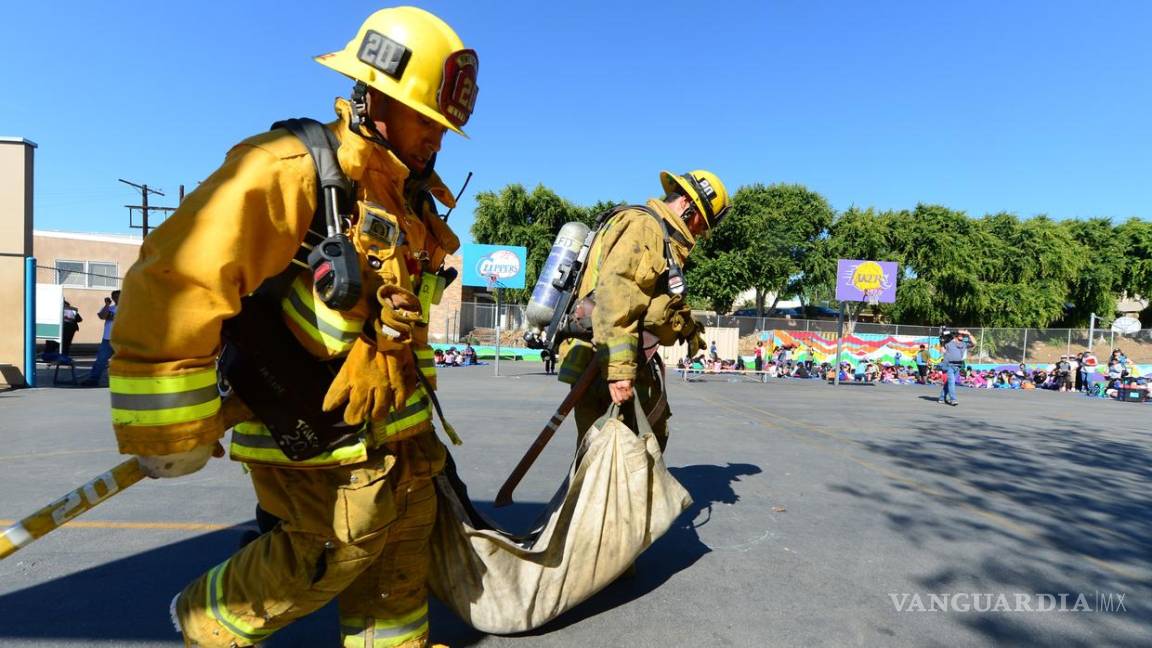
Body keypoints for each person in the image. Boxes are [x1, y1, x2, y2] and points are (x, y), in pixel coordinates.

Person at [105, 8, 478, 646]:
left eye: (443, 128)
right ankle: (203, 623)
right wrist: (172, 424)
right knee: (339, 542)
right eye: (425, 120)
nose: (435, 141)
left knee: (401, 546)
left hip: (393, 430)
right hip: (304, 425)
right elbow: (178, 276)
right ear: (374, 94)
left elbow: (398, 325)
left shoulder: (406, 198)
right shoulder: (289, 167)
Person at [556, 169, 730, 452]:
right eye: (702, 222)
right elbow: (617, 298)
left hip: (612, 358)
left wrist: (689, 329)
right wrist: (620, 371)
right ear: (686, 203)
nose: (700, 232)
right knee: (612, 457)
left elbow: (656, 300)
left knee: (632, 446)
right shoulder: (644, 227)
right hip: (604, 360)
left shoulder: (661, 236)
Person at [81, 291, 118, 386]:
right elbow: (102, 316)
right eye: (114, 297)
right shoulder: (110, 308)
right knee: (101, 360)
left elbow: (113, 317)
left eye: (118, 296)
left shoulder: (128, 308)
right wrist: (107, 305)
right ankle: (93, 379)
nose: (116, 298)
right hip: (107, 339)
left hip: (122, 340)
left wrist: (111, 316)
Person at [938, 328, 973, 406]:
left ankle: (941, 398)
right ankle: (953, 399)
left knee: (948, 383)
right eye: (961, 335)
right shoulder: (949, 341)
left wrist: (969, 334)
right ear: (956, 335)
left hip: (958, 365)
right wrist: (960, 331)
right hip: (948, 365)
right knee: (952, 382)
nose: (963, 336)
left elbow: (974, 343)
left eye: (964, 335)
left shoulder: (963, 343)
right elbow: (944, 333)